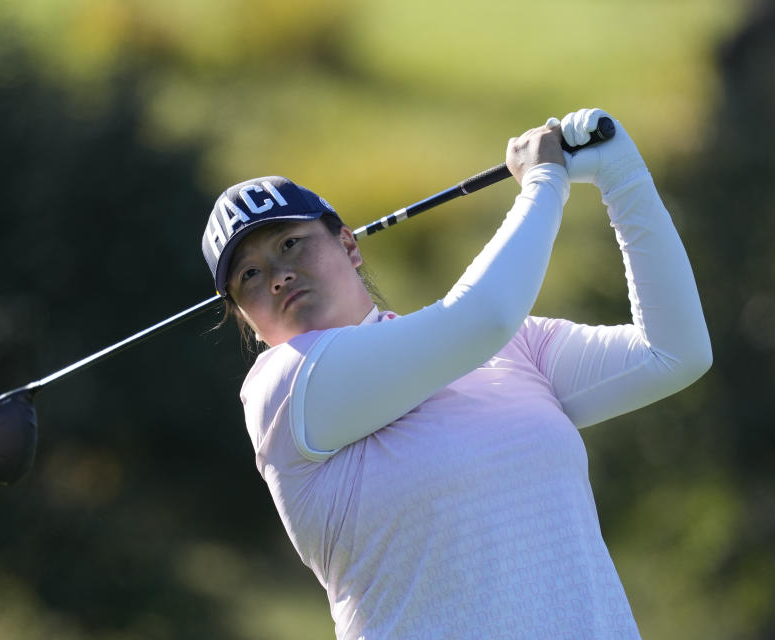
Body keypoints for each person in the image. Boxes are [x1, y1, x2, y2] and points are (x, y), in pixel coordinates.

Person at [200, 108, 712, 639]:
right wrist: (543, 182)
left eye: (290, 244)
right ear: (249, 322)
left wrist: (624, 180)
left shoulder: (514, 345)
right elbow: (480, 317)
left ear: (348, 245)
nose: (279, 277)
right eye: (250, 276)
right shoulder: (282, 391)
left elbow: (673, 354)